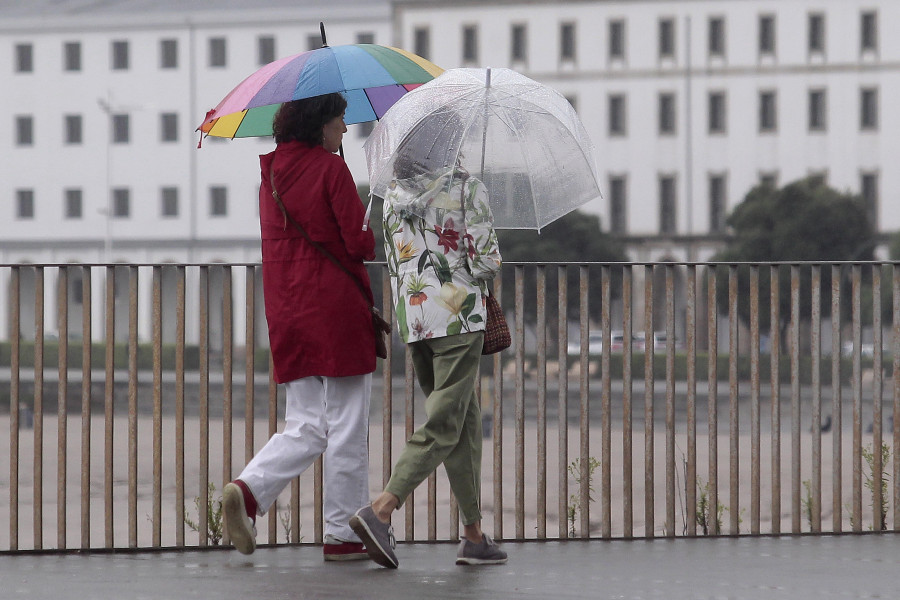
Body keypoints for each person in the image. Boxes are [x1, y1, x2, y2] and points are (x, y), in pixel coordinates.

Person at [222, 93, 377, 562]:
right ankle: (342, 534)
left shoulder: (269, 174)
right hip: (336, 310)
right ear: (320, 125)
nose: (345, 130)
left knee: (307, 424)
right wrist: (366, 218)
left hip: (288, 310)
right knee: (348, 426)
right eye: (341, 121)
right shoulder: (332, 170)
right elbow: (357, 244)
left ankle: (248, 491)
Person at [349, 147, 507, 568]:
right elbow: (486, 261)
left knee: (463, 421)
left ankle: (473, 535)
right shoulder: (466, 187)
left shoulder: (391, 195)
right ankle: (382, 508)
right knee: (443, 424)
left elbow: (396, 262)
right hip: (458, 318)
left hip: (415, 322)